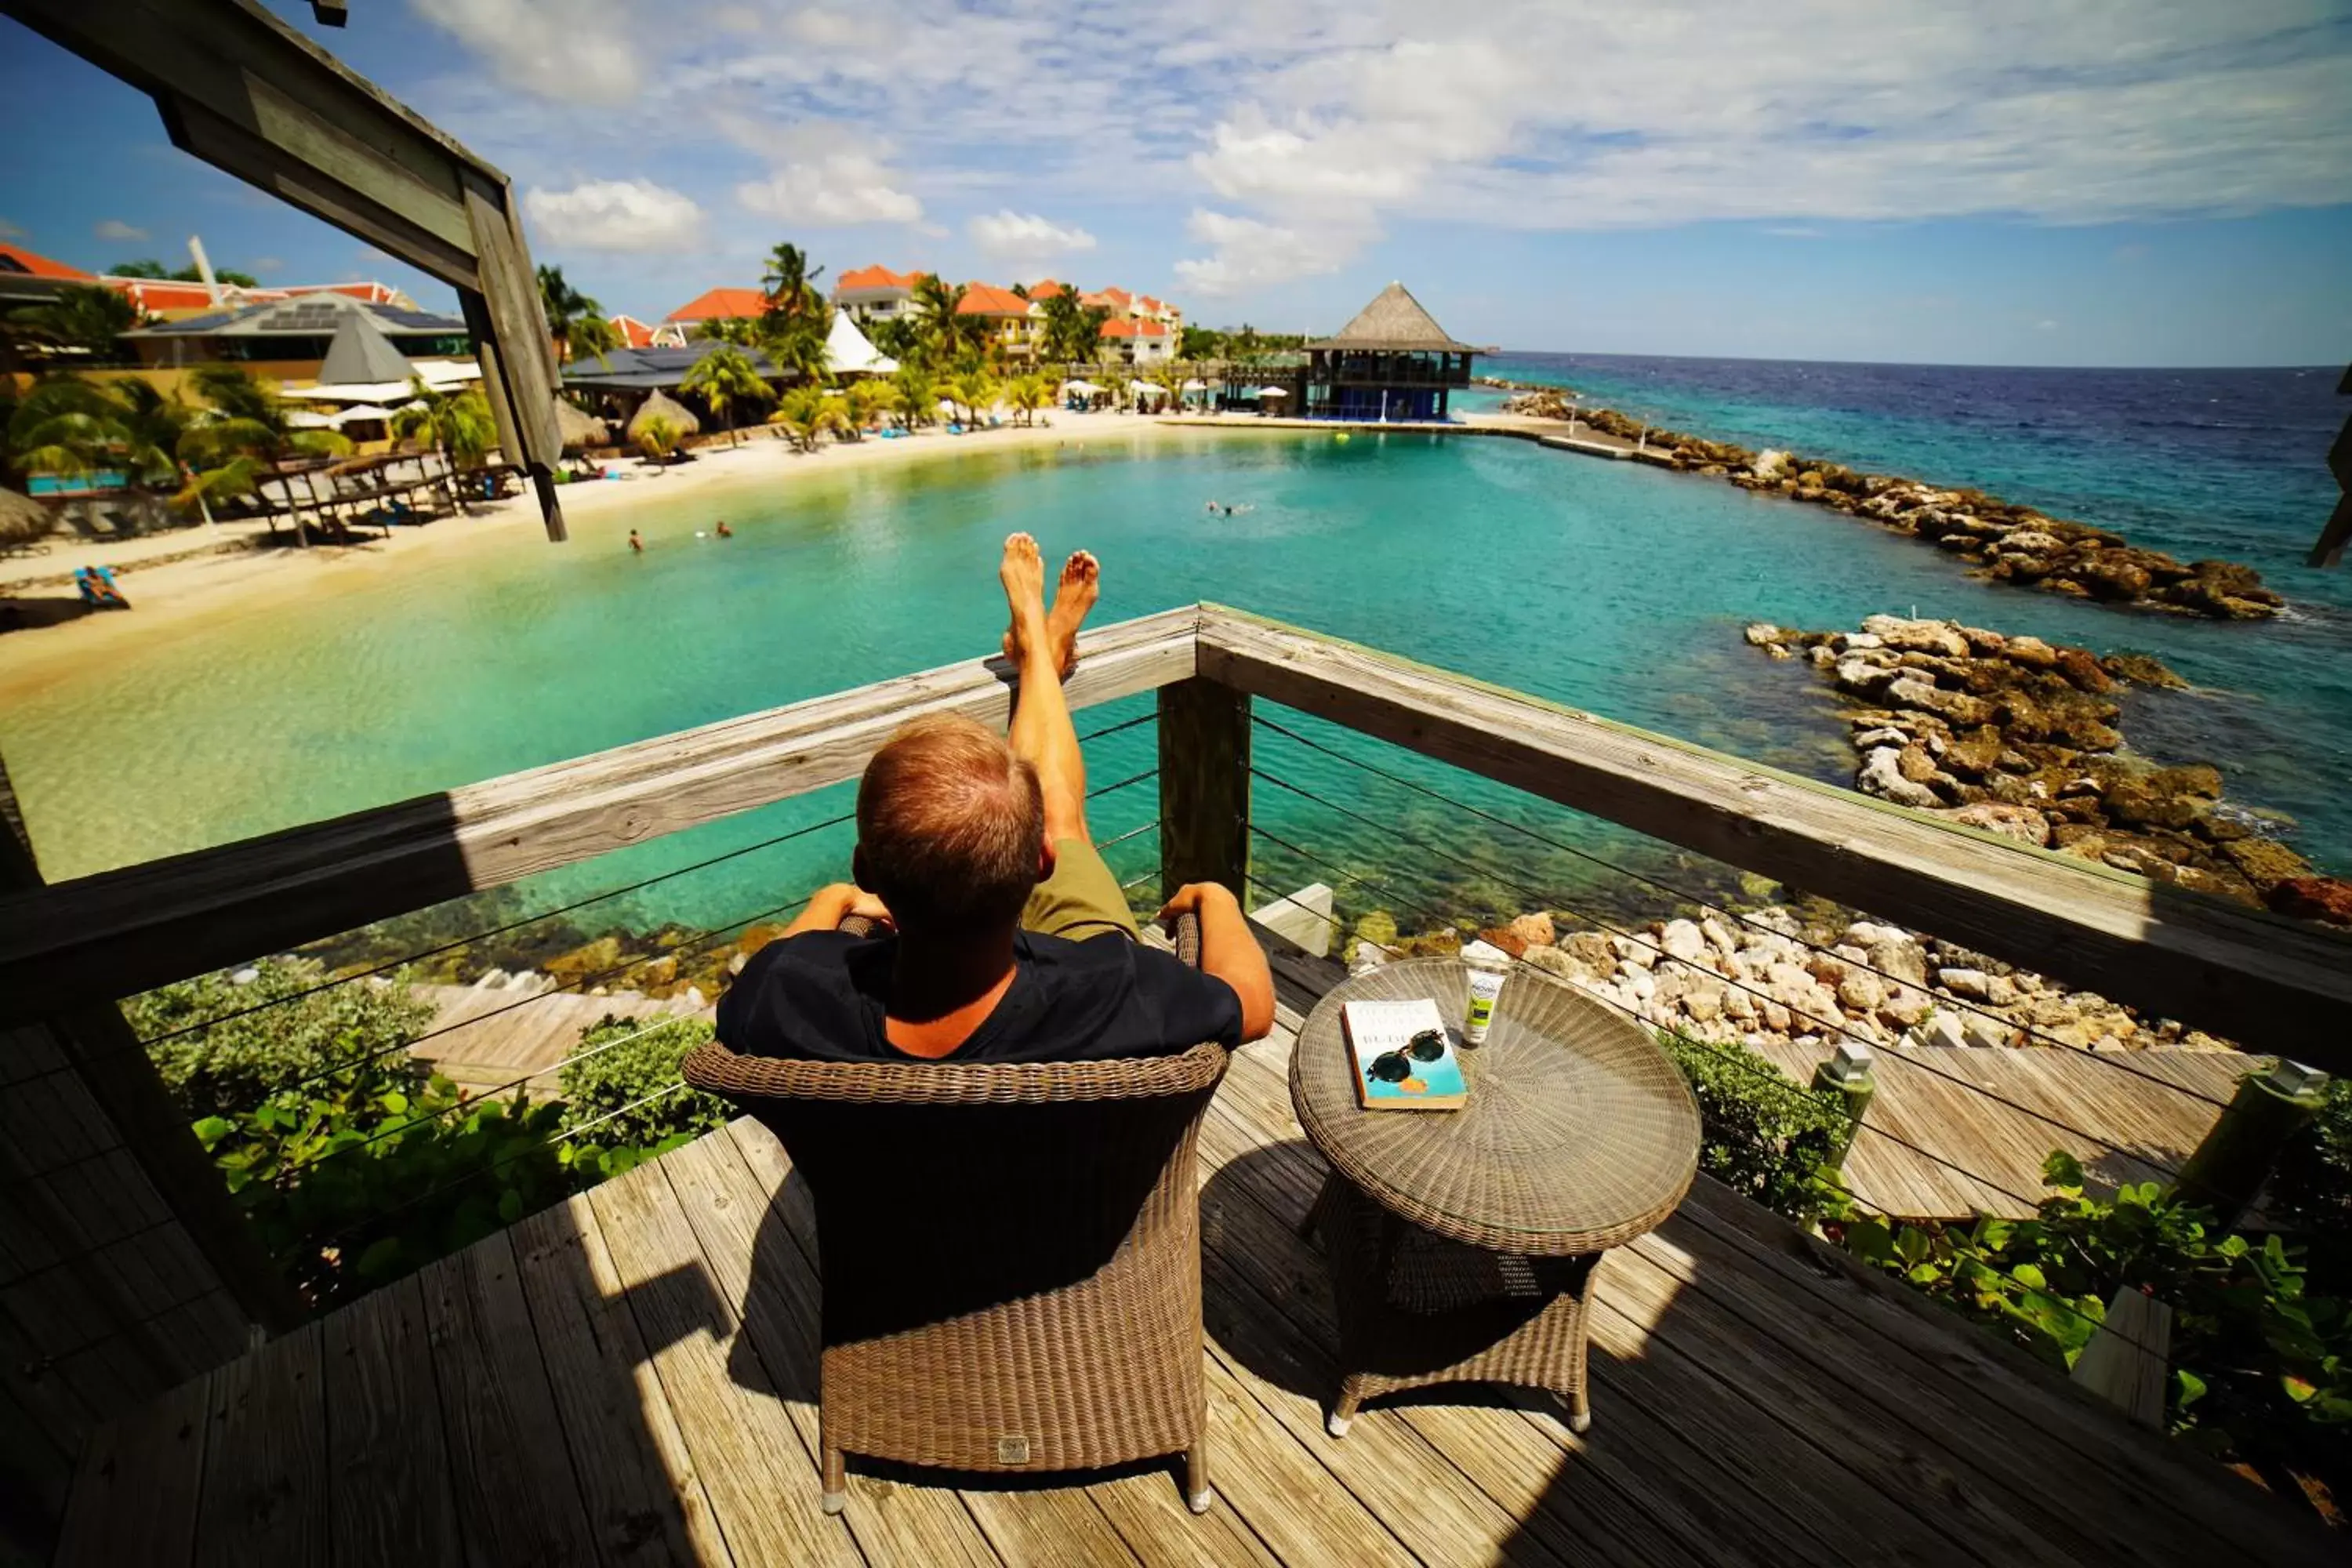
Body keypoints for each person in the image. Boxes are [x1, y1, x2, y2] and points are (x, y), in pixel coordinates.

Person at [720, 534, 1276, 1063]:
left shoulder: (795, 999)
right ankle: (1038, 650)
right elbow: (1252, 1004)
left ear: (867, 869)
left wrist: (833, 898)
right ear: (1042, 865)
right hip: (1076, 1098)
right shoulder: (1114, 992)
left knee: (1048, 811)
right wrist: (1217, 899)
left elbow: (754, 984)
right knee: (1059, 815)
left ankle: (1039, 648)